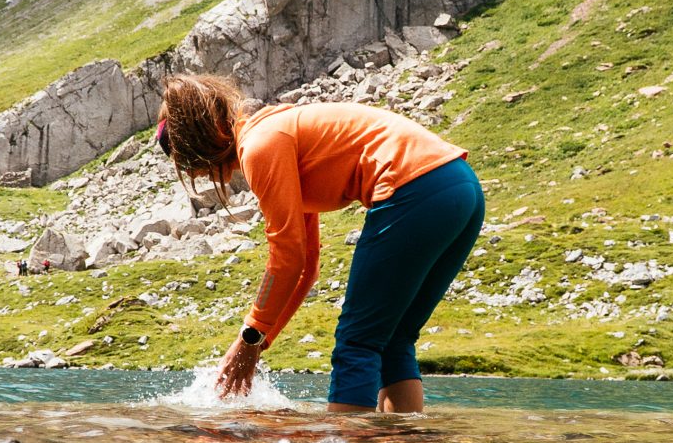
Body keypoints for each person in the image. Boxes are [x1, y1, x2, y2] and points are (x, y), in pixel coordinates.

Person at [155, 72, 485, 412]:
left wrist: (250, 337)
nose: (199, 175)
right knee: (393, 340)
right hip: (461, 186)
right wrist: (259, 342)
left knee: (357, 343)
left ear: (201, 146)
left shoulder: (260, 145)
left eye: (193, 167)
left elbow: (287, 258)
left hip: (417, 188)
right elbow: (306, 266)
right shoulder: (277, 132)